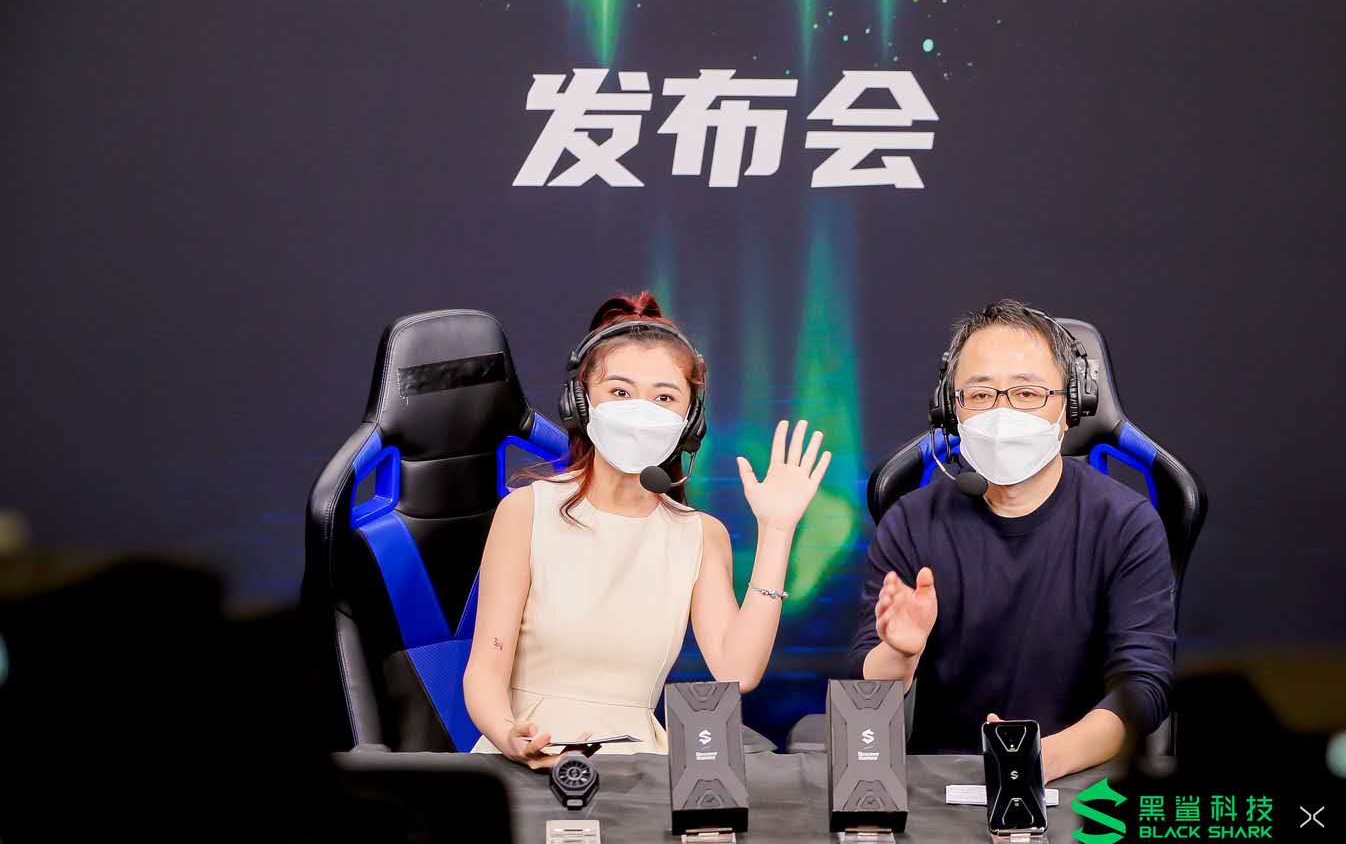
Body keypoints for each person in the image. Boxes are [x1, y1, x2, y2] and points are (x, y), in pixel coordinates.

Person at [464, 292, 830, 767]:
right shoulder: (526, 511)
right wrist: (510, 735)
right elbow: (484, 672)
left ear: (689, 422)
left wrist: (777, 532)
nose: (641, 410)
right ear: (580, 402)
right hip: (522, 762)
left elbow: (738, 671)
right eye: (620, 392)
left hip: (637, 769)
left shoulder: (700, 535)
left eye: (664, 397)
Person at [849, 299, 1176, 781]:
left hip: (1077, 779)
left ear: (1071, 407)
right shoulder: (912, 521)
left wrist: (1037, 759)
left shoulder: (1126, 523)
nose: (1002, 413)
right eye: (980, 395)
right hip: (947, 780)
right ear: (951, 410)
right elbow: (865, 685)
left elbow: (1143, 687)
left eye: (1027, 393)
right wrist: (900, 654)